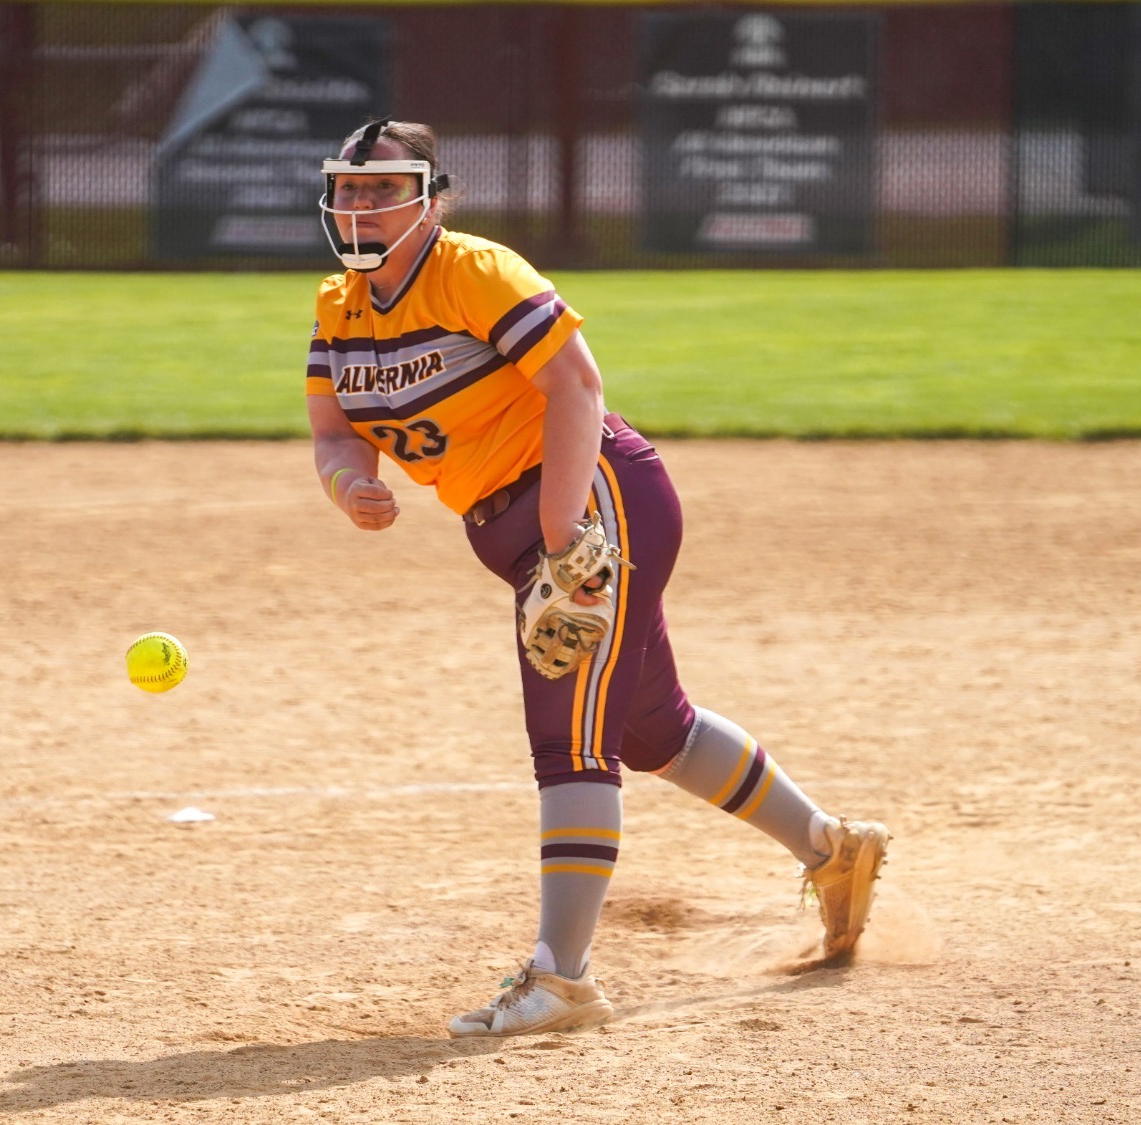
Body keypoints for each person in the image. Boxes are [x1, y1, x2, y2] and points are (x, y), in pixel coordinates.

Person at [304, 119, 891, 1038]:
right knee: (655, 728)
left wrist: (563, 535)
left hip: (588, 502)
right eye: (349, 187)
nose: (360, 204)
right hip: (523, 525)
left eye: (382, 187)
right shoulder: (337, 307)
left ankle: (563, 978)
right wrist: (350, 487)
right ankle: (830, 847)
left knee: (567, 731)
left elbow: (577, 386)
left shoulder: (474, 270)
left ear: (431, 194)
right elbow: (336, 430)